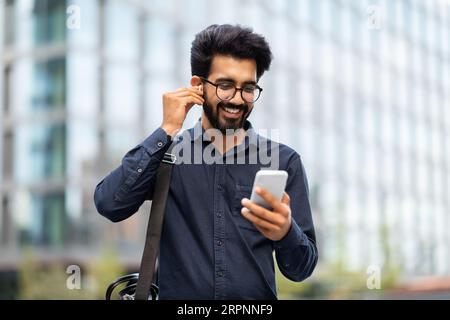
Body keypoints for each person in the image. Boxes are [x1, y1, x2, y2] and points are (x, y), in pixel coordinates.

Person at [94, 24, 318, 300]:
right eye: (225, 86)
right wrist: (166, 129)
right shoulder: (167, 155)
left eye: (248, 88)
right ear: (198, 87)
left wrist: (286, 232)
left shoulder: (285, 161)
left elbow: (301, 269)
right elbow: (109, 204)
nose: (237, 99)